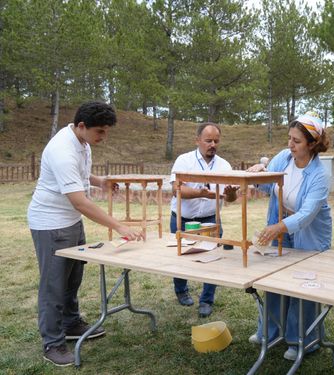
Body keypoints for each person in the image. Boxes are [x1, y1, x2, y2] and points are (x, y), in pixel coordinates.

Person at [27, 101, 145, 367]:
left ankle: (70, 323)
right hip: (50, 224)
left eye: (105, 131)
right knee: (54, 284)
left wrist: (100, 181)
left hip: (71, 222)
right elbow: (80, 201)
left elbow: (79, 175)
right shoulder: (61, 150)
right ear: (81, 126)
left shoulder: (82, 143)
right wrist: (119, 225)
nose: (103, 137)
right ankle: (53, 343)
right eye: (100, 132)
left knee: (73, 278)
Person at [246, 112, 332, 361]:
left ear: (312, 144)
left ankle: (302, 340)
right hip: (282, 227)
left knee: (303, 286)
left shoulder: (318, 175)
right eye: (289, 138)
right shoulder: (284, 158)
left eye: (296, 141)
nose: (290, 145)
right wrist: (256, 175)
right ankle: (269, 333)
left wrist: (278, 227)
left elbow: (306, 215)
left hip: (309, 234)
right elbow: (266, 185)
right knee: (273, 280)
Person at [169, 122, 238, 318]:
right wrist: (202, 193)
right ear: (197, 140)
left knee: (213, 259)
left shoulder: (224, 166)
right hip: (182, 218)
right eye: (208, 140)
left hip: (210, 219)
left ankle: (207, 300)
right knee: (180, 257)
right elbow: (177, 189)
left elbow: (231, 199)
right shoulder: (184, 160)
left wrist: (231, 194)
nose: (212, 144)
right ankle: (181, 291)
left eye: (216, 141)